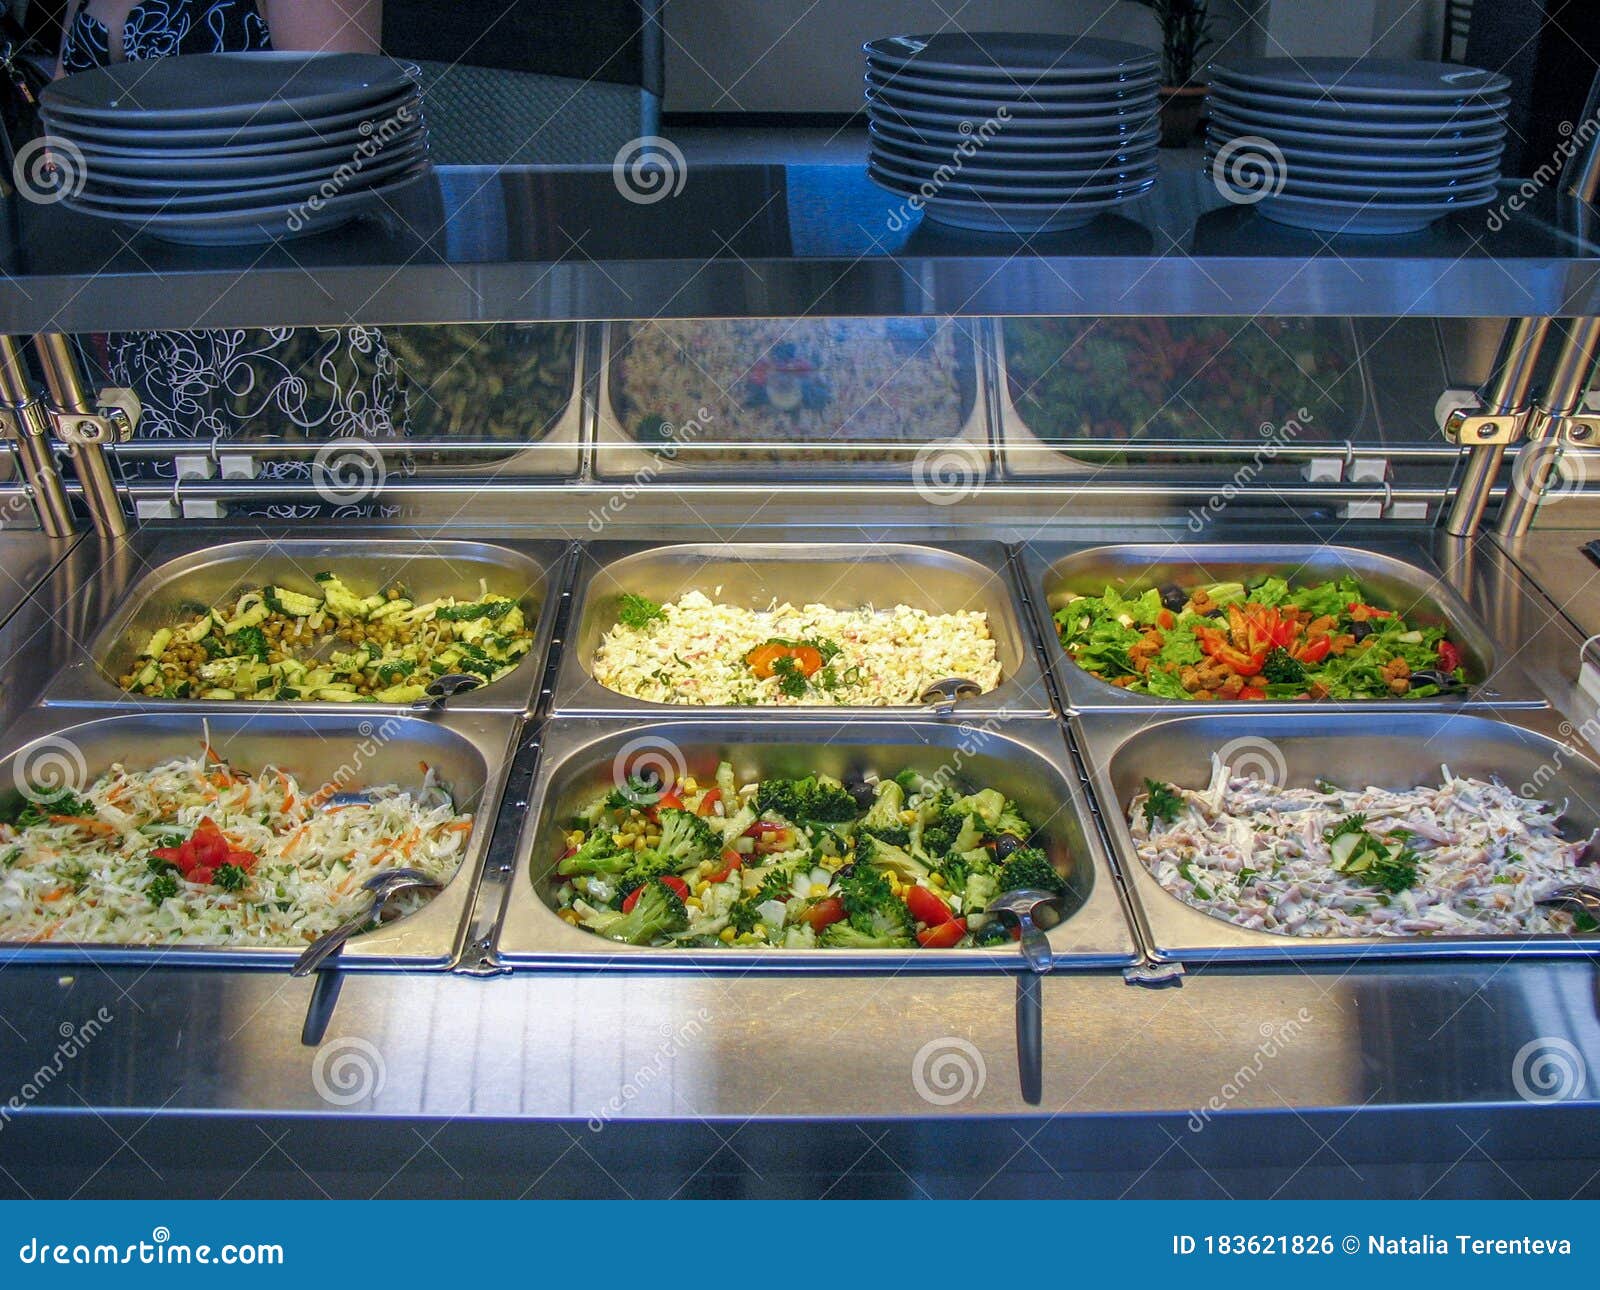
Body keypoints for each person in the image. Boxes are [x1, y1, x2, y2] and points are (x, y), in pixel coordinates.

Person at [56, 1, 404, 519]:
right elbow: (63, 128)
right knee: (159, 553)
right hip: (138, 336)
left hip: (287, 334)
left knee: (316, 555)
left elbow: (343, 132)